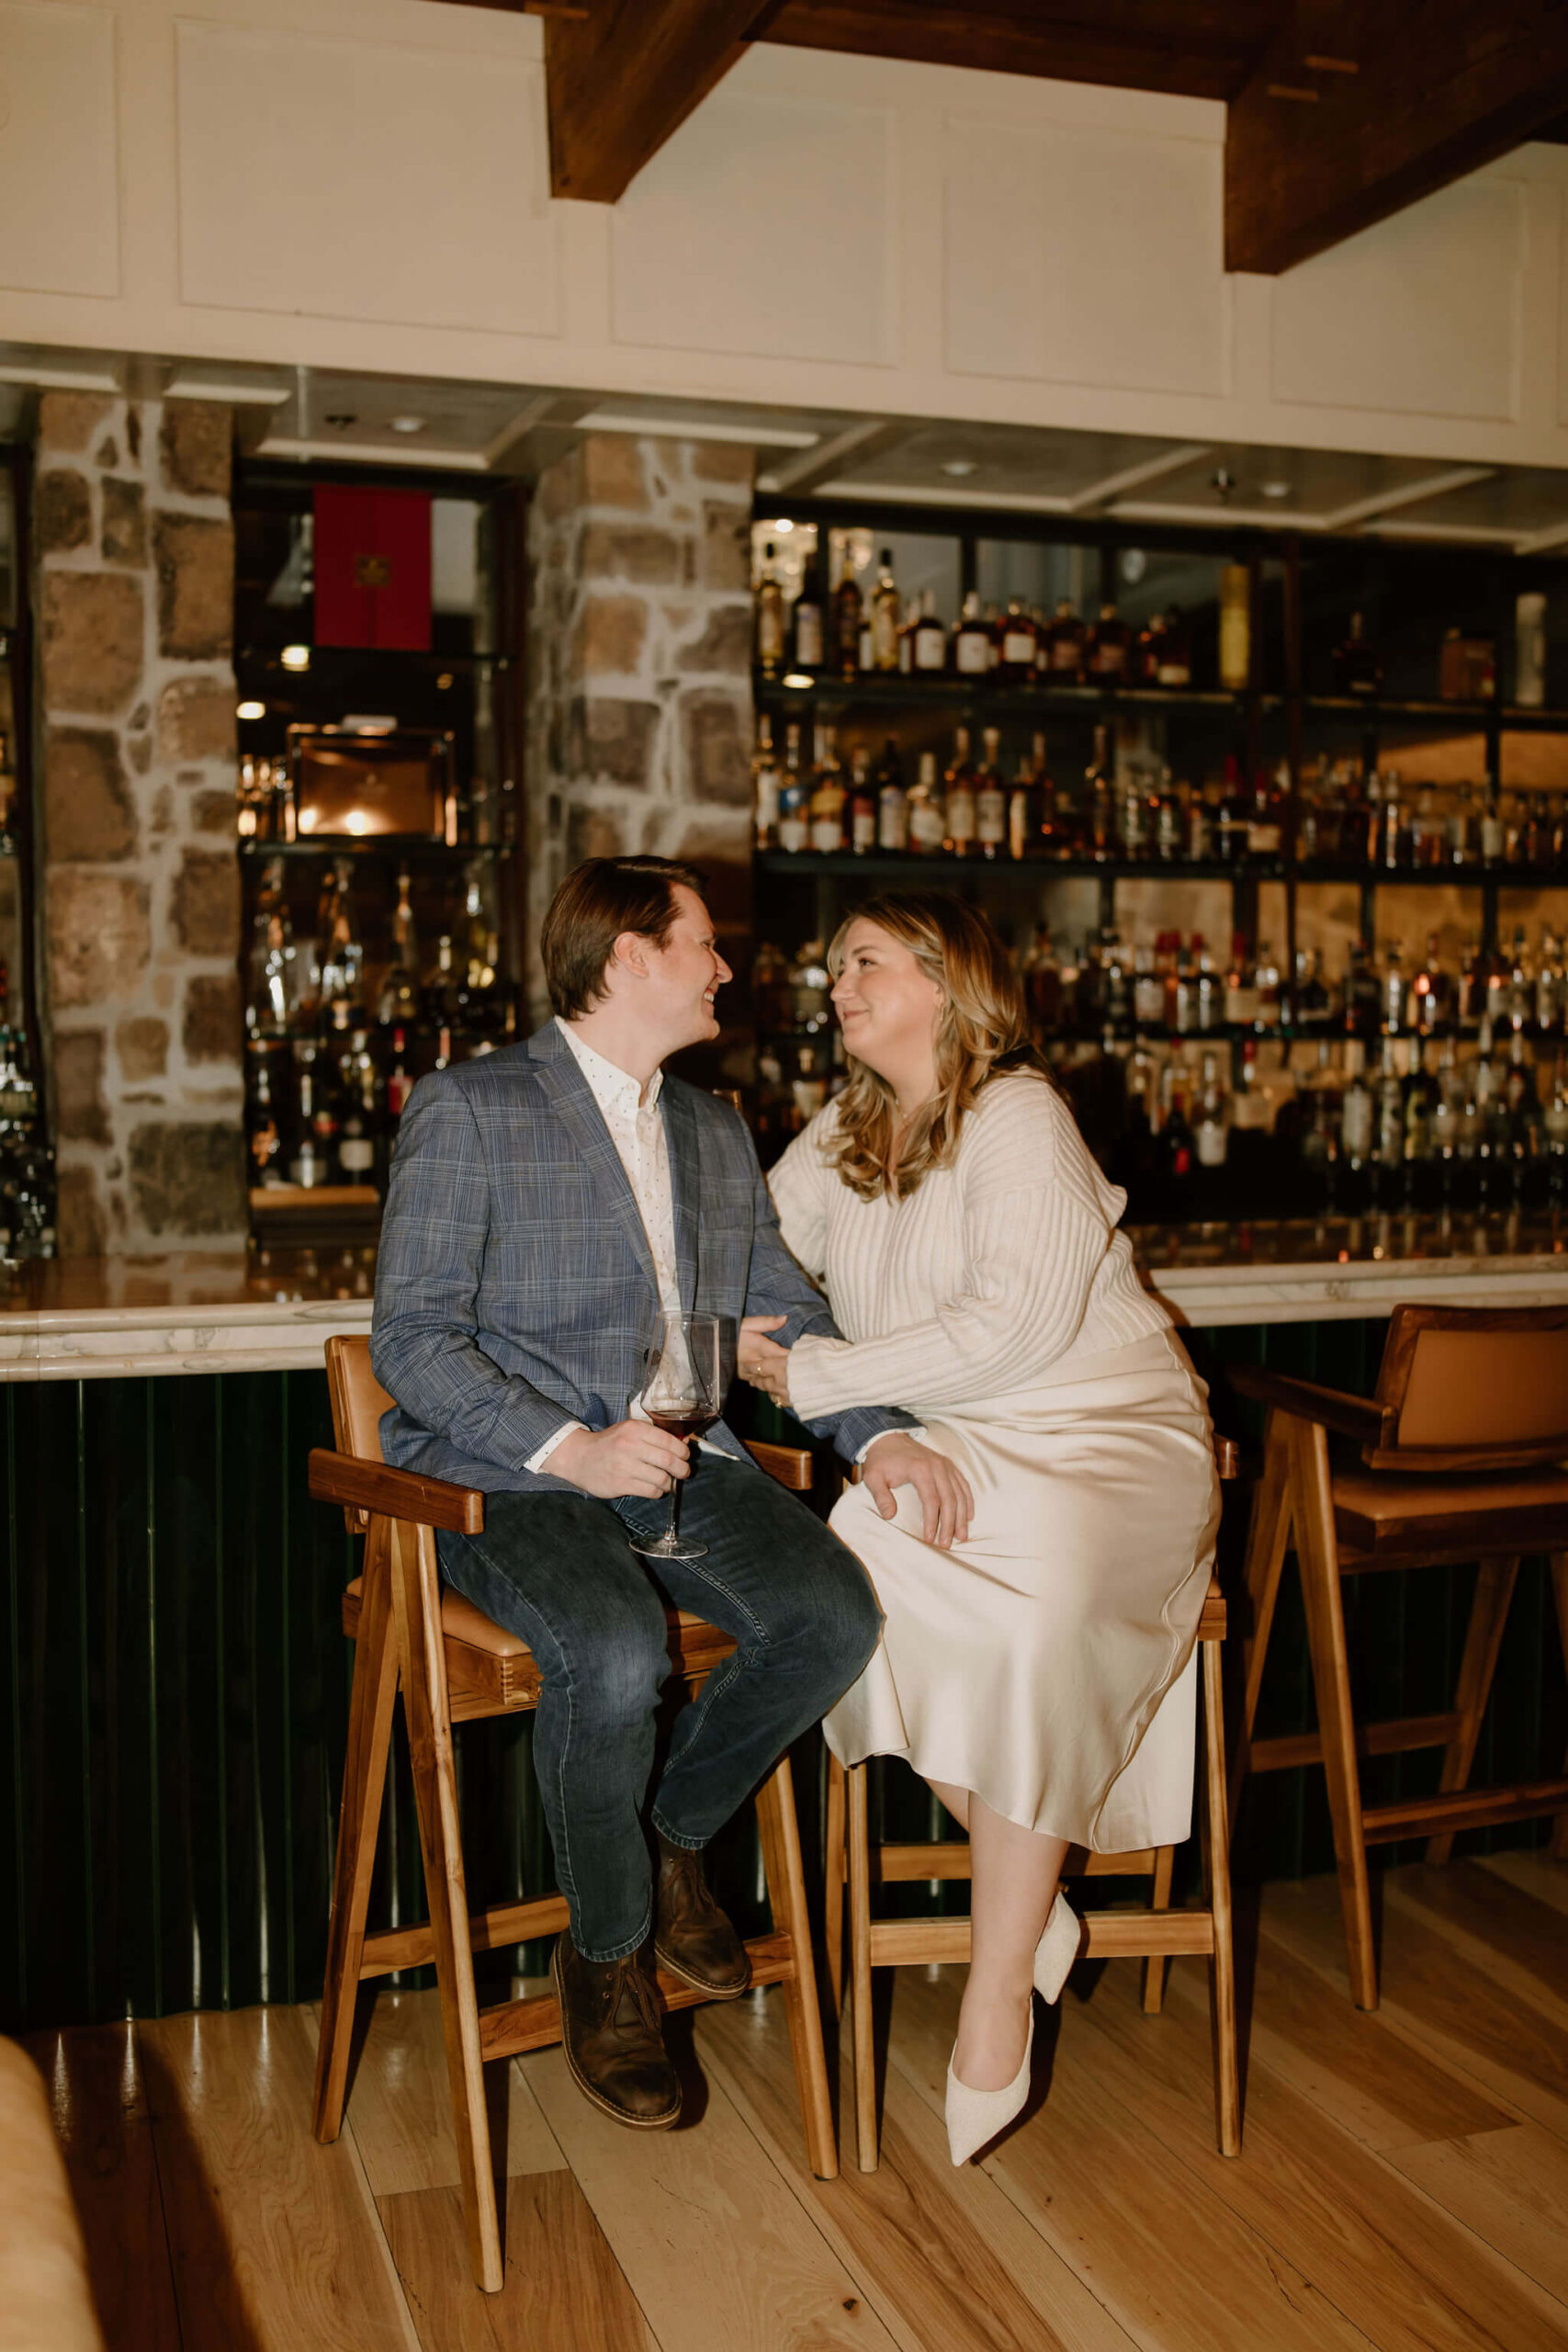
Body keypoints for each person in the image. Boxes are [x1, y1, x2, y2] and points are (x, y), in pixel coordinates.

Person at [371, 854, 969, 2132]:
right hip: (505, 1482)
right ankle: (606, 1960)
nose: (725, 968)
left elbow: (784, 1315)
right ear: (631, 958)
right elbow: (414, 1340)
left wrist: (877, 1439)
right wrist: (566, 1448)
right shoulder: (469, 1108)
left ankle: (668, 1835)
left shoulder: (710, 1127)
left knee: (833, 1618)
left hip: (684, 1465)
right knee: (614, 1644)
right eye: (703, 944)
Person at [741, 890, 1220, 2165]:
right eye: (832, 964)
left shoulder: (1018, 1115)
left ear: (950, 983)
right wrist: (746, 1322)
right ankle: (1037, 1902)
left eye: (865, 962)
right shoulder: (843, 1128)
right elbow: (753, 1248)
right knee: (850, 1565)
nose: (836, 983)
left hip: (1109, 1432)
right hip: (968, 1439)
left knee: (1044, 1602)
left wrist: (817, 1375)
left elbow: (1016, 1328)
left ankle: (996, 1983)